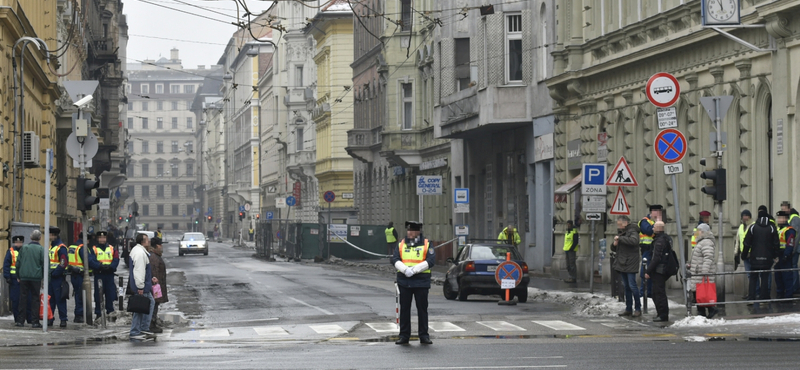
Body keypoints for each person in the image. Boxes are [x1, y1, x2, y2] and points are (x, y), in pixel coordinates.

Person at [391, 221, 435, 345]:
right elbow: (394, 259)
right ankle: (404, 336)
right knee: (404, 309)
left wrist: (414, 270)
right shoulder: (401, 244)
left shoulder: (427, 243)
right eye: (408, 230)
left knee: (422, 310)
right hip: (404, 281)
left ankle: (424, 336)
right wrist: (405, 269)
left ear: (418, 232)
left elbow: (430, 261)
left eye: (412, 231)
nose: (409, 233)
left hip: (421, 281)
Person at [742, 209, 780, 302]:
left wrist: (744, 255)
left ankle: (752, 297)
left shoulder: (753, 227)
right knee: (765, 277)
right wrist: (775, 255)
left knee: (753, 278)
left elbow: (747, 243)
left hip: (754, 257)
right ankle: (764, 297)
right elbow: (776, 243)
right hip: (767, 257)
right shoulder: (771, 227)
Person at [612, 216, 641, 317]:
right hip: (623, 262)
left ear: (625, 223)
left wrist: (620, 238)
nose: (618, 226)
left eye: (619, 224)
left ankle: (638, 308)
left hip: (630, 262)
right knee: (626, 286)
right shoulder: (623, 231)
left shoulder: (632, 231)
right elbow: (617, 248)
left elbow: (634, 241)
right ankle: (628, 308)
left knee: (632, 285)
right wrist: (614, 244)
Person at [129, 233, 156, 340]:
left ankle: (142, 328)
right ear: (143, 242)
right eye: (147, 240)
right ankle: (137, 330)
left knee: (145, 305)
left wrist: (150, 279)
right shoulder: (140, 253)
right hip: (141, 286)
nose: (149, 241)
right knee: (140, 308)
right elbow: (139, 271)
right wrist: (140, 287)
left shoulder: (139, 251)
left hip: (143, 285)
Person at [16, 230, 45, 328]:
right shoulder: (41, 249)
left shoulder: (24, 248)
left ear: (31, 237)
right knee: (35, 299)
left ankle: (20, 321)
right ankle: (35, 321)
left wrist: (18, 276)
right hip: (36, 278)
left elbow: (18, 263)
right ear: (40, 238)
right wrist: (45, 279)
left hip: (24, 277)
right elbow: (45, 264)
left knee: (22, 298)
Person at [688, 224, 718, 318]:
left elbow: (708, 257)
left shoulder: (706, 242)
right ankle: (702, 314)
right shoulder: (701, 242)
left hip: (702, 273)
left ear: (704, 232)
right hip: (698, 273)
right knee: (699, 295)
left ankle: (707, 312)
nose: (696, 232)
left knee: (702, 294)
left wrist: (704, 272)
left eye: (699, 230)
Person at [89, 231, 120, 321]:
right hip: (99, 274)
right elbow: (91, 261)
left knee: (110, 294)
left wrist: (111, 267)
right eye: (100, 238)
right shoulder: (94, 249)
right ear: (98, 239)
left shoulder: (111, 248)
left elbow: (116, 259)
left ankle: (110, 312)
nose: (102, 239)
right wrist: (100, 266)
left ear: (106, 239)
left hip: (109, 274)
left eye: (104, 238)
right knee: (98, 295)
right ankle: (98, 314)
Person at [645, 221, 670, 322]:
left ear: (659, 228)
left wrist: (648, 271)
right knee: (656, 293)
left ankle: (663, 315)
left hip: (659, 270)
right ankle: (660, 313)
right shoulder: (663, 238)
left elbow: (656, 258)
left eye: (654, 227)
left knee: (659, 293)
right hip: (660, 269)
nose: (652, 228)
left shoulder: (660, 241)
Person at [4, 235, 32, 324]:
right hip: (14, 280)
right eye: (17, 242)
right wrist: (7, 276)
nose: (18, 244)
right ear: (14, 242)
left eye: (20, 242)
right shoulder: (11, 251)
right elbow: (6, 265)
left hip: (24, 278)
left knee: (27, 299)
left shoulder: (26, 251)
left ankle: (29, 318)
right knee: (15, 300)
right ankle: (17, 319)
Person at [639, 205, 662, 298]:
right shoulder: (644, 221)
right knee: (645, 270)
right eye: (657, 211)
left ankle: (651, 293)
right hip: (647, 249)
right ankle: (643, 293)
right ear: (652, 212)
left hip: (655, 249)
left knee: (653, 271)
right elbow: (649, 231)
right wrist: (657, 224)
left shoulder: (655, 222)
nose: (659, 214)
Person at [48, 226, 69, 328]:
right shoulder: (51, 247)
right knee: (50, 300)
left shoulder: (61, 247)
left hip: (58, 277)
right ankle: (50, 318)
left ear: (53, 235)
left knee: (60, 299)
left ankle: (63, 319)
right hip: (51, 277)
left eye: (50, 234)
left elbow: (63, 262)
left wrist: (56, 273)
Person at [780, 201, 800, 297]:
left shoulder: (794, 218)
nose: (783, 211)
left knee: (793, 266)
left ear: (789, 209)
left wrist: (793, 249)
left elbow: (796, 236)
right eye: (782, 209)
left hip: (795, 247)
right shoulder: (790, 218)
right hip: (792, 247)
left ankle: (795, 287)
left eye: (784, 209)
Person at [148, 237, 168, 333]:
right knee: (154, 304)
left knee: (155, 304)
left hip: (157, 286)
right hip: (155, 287)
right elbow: (154, 273)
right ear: (157, 246)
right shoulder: (154, 257)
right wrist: (156, 287)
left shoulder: (155, 256)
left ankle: (153, 323)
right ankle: (151, 324)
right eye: (160, 245)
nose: (162, 247)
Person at [734, 210, 755, 299]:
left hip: (753, 253)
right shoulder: (741, 227)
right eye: (743, 216)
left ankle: (754, 293)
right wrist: (736, 253)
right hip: (745, 254)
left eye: (747, 216)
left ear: (750, 217)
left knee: (754, 274)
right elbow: (737, 241)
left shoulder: (753, 226)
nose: (745, 217)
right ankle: (751, 293)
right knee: (749, 275)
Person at [67, 236, 88, 323]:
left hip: (73, 274)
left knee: (77, 294)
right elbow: (87, 261)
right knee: (80, 295)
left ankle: (78, 314)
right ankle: (79, 315)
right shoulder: (82, 248)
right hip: (80, 274)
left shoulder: (71, 247)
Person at [774, 211, 795, 299]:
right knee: (778, 276)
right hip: (778, 256)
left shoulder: (790, 230)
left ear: (786, 219)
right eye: (778, 218)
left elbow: (790, 243)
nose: (779, 220)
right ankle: (780, 294)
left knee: (787, 277)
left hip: (785, 255)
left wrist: (786, 255)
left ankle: (788, 296)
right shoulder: (778, 229)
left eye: (781, 218)